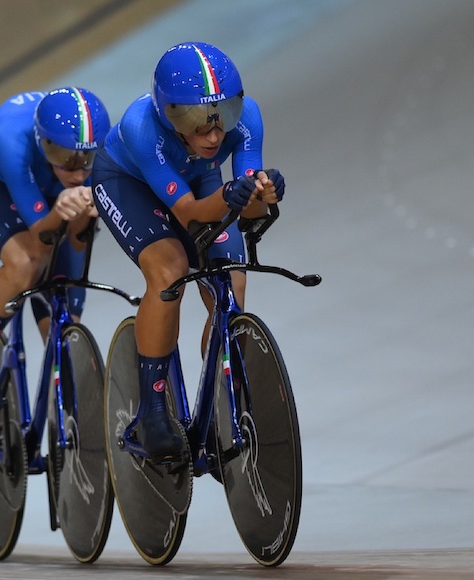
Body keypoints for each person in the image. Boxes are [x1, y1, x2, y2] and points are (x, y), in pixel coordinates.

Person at [91, 42, 285, 461]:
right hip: (129, 185)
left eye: (222, 116)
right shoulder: (141, 127)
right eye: (196, 122)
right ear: (167, 113)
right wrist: (238, 194)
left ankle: (221, 397)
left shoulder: (248, 118)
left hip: (201, 180)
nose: (214, 134)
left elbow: (248, 200)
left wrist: (264, 191)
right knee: (171, 271)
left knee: (230, 281)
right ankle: (153, 409)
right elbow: (191, 213)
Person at [0, 87, 111, 415]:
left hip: (47, 186)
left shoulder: (93, 151)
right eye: (67, 160)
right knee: (28, 261)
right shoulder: (13, 138)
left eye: (86, 160)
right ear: (43, 143)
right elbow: (42, 236)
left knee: (64, 297)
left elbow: (78, 242)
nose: (79, 173)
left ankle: (61, 391)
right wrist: (66, 207)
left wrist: (80, 213)